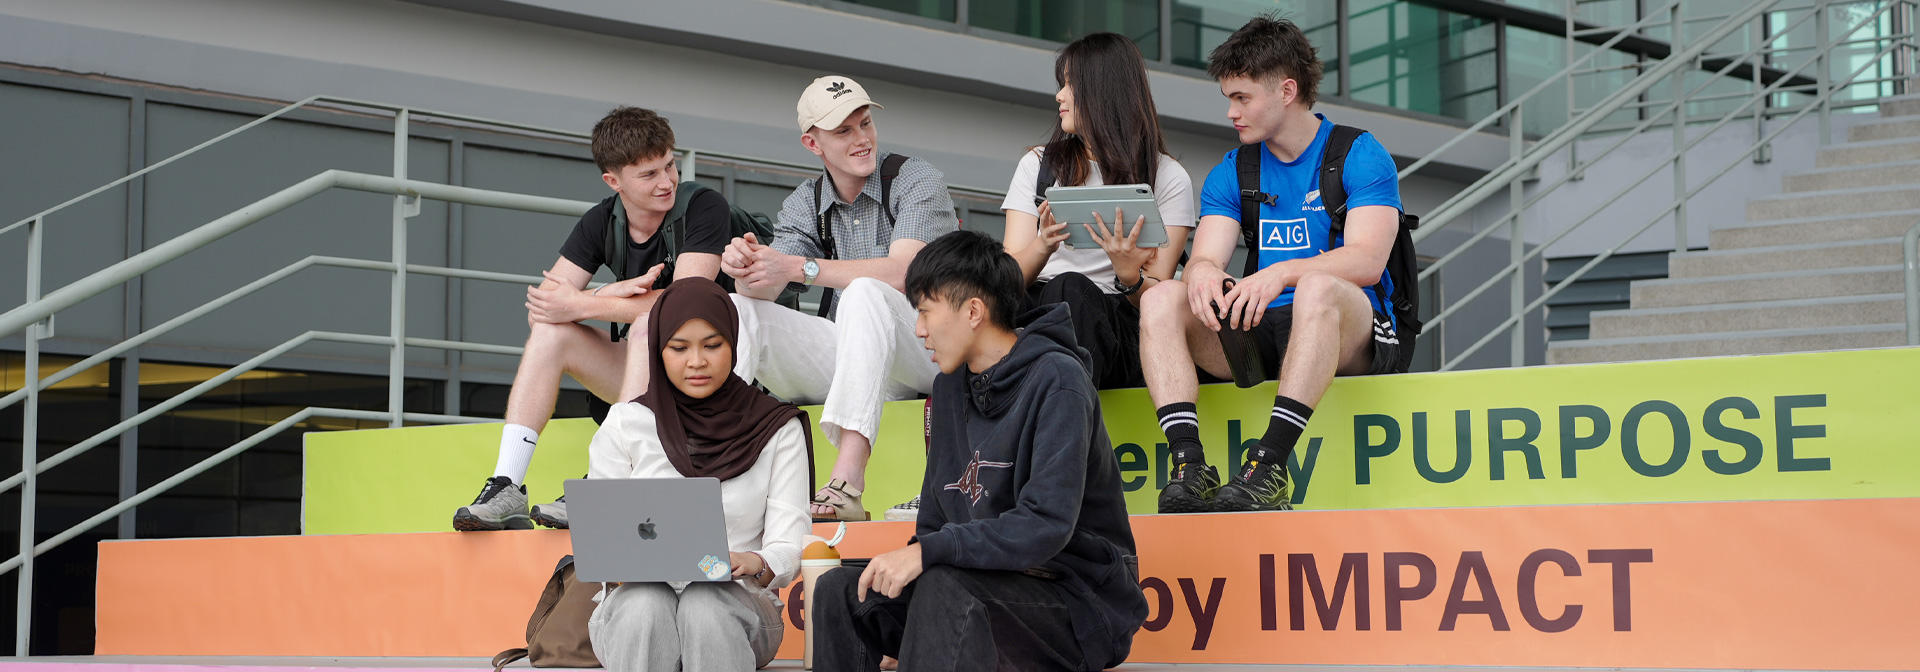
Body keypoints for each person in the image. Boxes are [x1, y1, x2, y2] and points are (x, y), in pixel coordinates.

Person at [810, 231, 1148, 672]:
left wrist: (929, 555)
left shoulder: (1059, 380)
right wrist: (916, 596)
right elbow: (935, 520)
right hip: (978, 585)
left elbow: (1044, 526)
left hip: (1076, 601)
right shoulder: (949, 386)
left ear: (973, 311)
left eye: (926, 312)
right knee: (842, 590)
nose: (919, 330)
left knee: (944, 588)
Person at [1143, 15, 1409, 514]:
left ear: (1287, 90)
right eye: (1228, 98)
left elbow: (1369, 261)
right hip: (1262, 329)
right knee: (1161, 296)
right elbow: (1206, 255)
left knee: (1317, 287)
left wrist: (1280, 273)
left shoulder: (1358, 153)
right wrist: (1200, 272)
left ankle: (1269, 468)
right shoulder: (1234, 169)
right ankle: (1189, 465)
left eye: (1241, 98)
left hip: (1352, 330)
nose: (1230, 112)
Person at [454, 107, 728, 531]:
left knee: (643, 326)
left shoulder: (704, 206)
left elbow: (686, 304)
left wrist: (585, 302)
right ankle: (507, 483)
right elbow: (545, 307)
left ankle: (603, 482)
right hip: (646, 375)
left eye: (670, 166)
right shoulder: (602, 220)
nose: (667, 181)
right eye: (649, 174)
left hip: (709, 378)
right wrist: (607, 293)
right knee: (550, 333)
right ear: (613, 181)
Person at [720, 75, 959, 522]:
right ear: (813, 144)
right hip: (858, 365)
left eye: (865, 124)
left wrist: (798, 268)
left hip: (929, 353)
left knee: (865, 291)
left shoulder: (916, 178)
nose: (862, 139)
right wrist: (746, 265)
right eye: (844, 131)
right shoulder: (804, 201)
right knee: (738, 309)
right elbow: (765, 288)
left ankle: (846, 483)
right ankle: (714, 467)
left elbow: (905, 272)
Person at [583, 277, 810, 672]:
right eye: (679, 347)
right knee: (644, 604)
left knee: (705, 601)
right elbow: (604, 541)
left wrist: (754, 561)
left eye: (712, 345)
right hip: (635, 607)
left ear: (734, 343)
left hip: (739, 604)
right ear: (658, 349)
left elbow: (790, 541)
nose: (697, 362)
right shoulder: (626, 423)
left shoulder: (775, 427)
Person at [1001, 32, 1195, 390]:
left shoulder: (1167, 177)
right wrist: (1042, 246)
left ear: (1102, 90)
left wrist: (1127, 272)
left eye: (1070, 83)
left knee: (1073, 290)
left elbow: (1157, 297)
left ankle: (1058, 415)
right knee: (1062, 290)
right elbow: (1005, 280)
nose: (1059, 95)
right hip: (1037, 311)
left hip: (1115, 326)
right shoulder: (1039, 166)